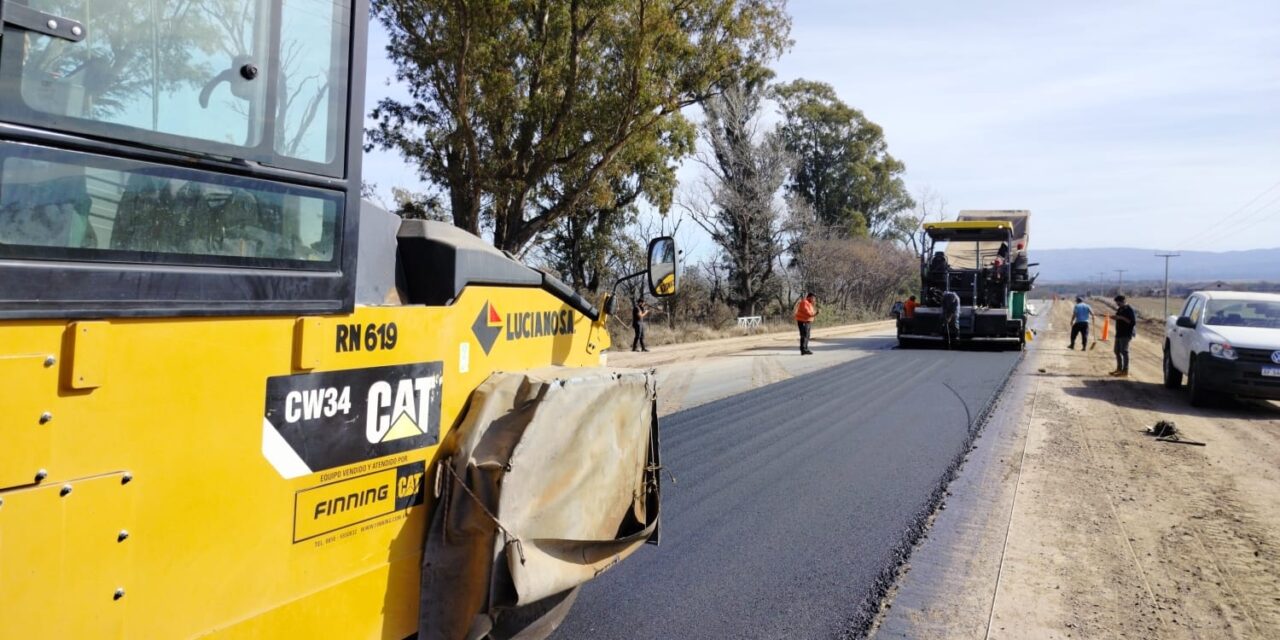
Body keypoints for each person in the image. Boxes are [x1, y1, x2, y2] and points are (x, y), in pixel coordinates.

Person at [1110, 295, 1137, 377]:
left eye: (1118, 302)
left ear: (1123, 301)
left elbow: (1132, 322)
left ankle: (1125, 370)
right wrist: (1115, 318)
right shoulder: (1120, 309)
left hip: (1126, 334)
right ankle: (1119, 369)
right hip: (1119, 333)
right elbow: (1119, 317)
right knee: (1116, 351)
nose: (1117, 304)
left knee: (1124, 352)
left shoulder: (1129, 309)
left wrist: (1121, 317)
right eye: (1116, 302)